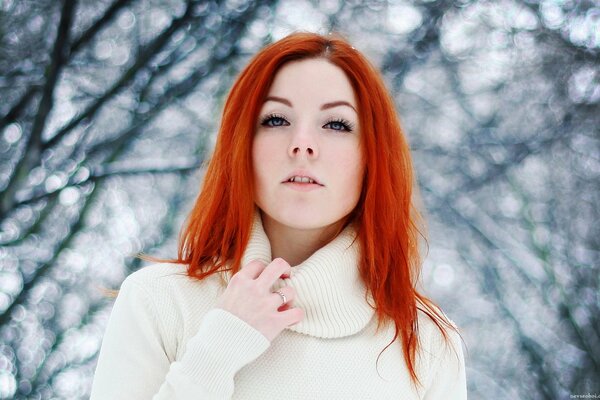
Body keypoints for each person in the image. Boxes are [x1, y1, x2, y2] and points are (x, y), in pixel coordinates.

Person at [90, 32, 467, 399]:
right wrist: (217, 352)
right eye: (275, 120)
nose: (302, 143)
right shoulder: (160, 301)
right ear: (241, 146)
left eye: (336, 124)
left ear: (373, 156)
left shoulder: (427, 341)